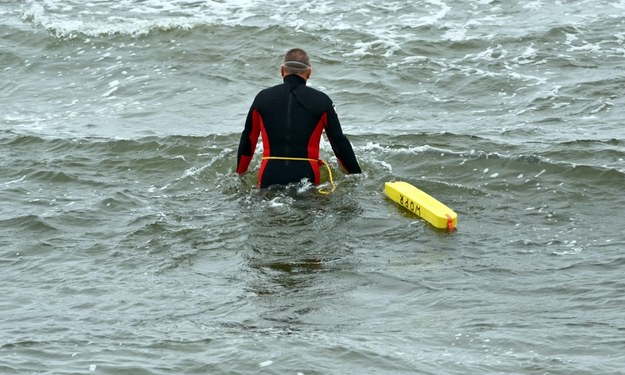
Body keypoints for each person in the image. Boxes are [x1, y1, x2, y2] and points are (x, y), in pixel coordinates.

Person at [236, 48, 361, 189]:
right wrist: (356, 175)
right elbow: (338, 142)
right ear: (309, 73)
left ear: (282, 71)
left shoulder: (262, 98)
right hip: (307, 175)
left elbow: (248, 141)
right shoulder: (322, 101)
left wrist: (239, 174)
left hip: (269, 175)